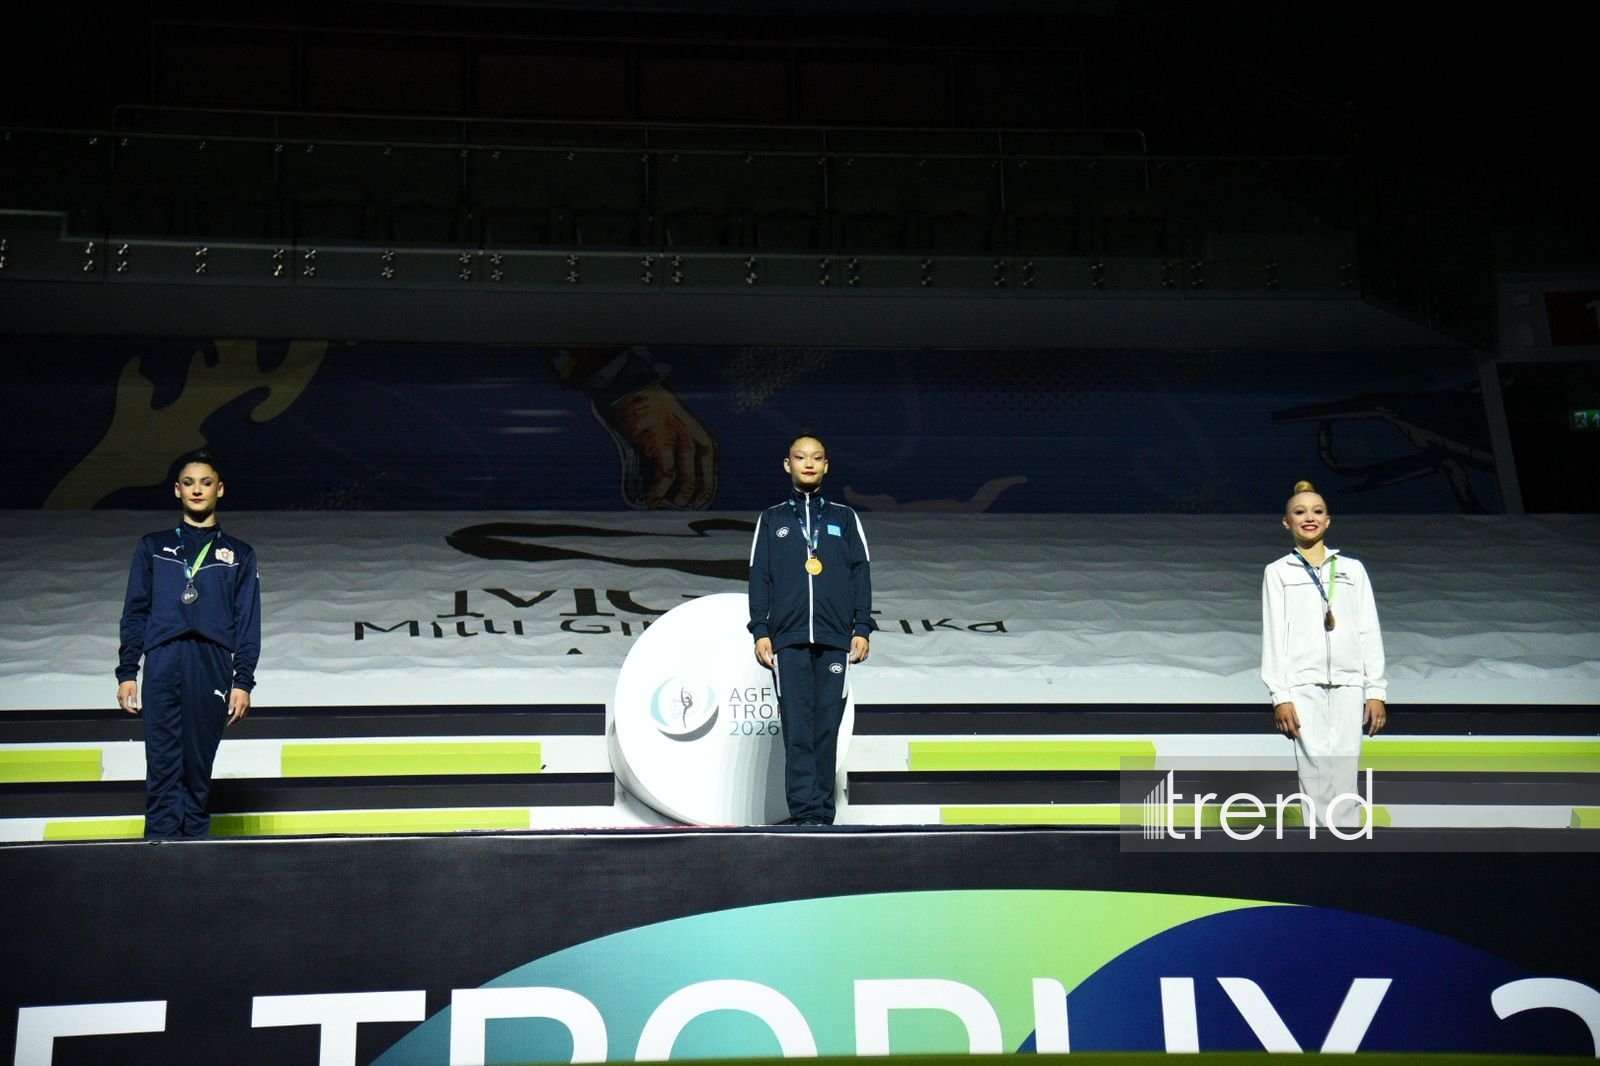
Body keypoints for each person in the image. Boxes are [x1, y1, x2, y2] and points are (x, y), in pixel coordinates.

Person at [116, 451, 261, 839]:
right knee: (162, 763)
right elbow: (135, 612)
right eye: (189, 482)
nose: (198, 489)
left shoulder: (239, 554)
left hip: (211, 661)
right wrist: (128, 671)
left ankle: (196, 865)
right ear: (177, 490)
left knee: (197, 767)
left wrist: (242, 680)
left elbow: (248, 622)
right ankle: (158, 857)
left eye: (206, 482)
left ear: (220, 489)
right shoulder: (152, 546)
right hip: (162, 660)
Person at [748, 434, 874, 826]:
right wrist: (761, 630)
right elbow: (759, 577)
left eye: (816, 458)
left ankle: (823, 813)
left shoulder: (844, 518)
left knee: (825, 729)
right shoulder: (771, 520)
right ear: (787, 465)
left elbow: (861, 573)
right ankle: (805, 813)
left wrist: (862, 626)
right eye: (800, 457)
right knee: (798, 730)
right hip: (788, 642)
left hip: (835, 639)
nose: (808, 463)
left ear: (826, 466)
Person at [1261, 479, 1388, 829]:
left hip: (1349, 683)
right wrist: (1280, 696)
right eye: (1299, 512)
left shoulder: (1352, 569)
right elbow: (1274, 635)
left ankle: (1347, 841)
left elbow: (1368, 631)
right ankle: (1318, 846)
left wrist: (1375, 690)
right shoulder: (1277, 572)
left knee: (1346, 767)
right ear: (1286, 522)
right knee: (1314, 768)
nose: (1309, 518)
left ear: (1328, 520)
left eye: (1317, 511)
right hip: (1302, 684)